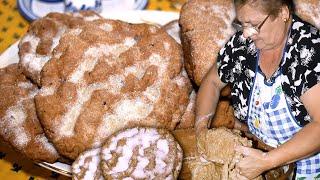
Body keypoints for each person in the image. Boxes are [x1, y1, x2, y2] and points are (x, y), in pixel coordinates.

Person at [195, 0, 320, 179]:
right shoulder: (243, 45)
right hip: (260, 154)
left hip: (310, 167)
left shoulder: (309, 49)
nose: (247, 33)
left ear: (283, 13)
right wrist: (201, 129)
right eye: (242, 23)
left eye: (254, 25)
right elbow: (212, 82)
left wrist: (267, 161)